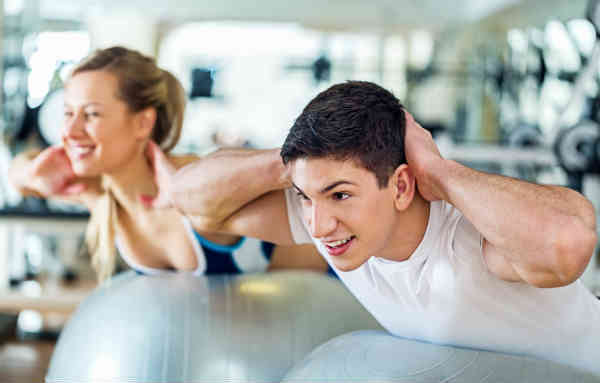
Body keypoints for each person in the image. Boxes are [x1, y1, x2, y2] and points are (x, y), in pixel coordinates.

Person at [145, 80, 600, 374]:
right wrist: (290, 166)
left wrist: (439, 172)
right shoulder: (328, 223)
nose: (320, 226)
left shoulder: (469, 239)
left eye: (341, 194)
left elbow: (569, 243)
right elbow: (192, 199)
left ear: (401, 185)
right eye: (307, 197)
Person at [9, 46, 327, 282]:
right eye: (68, 113)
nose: (70, 132)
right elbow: (16, 174)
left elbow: (293, 171)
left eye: (91, 114)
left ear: (142, 123)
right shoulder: (100, 192)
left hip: (341, 285)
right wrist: (35, 176)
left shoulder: (195, 183)